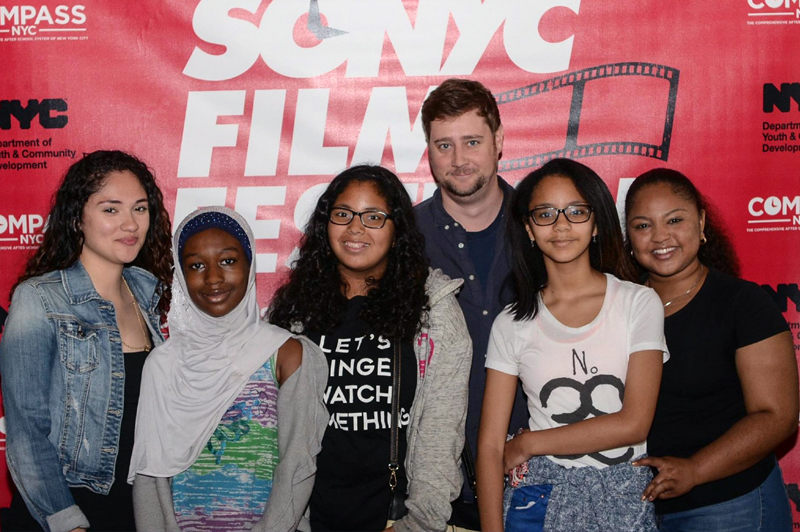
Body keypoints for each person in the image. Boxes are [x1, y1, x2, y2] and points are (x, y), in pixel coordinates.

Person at [268, 165, 472, 532]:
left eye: (374, 217)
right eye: (343, 214)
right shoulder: (294, 312)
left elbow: (443, 433)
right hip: (308, 519)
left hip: (396, 520)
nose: (356, 228)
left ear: (397, 231)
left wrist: (420, 523)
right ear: (325, 223)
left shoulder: (432, 309)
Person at [476, 158, 669, 532]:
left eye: (576, 211)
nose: (561, 225)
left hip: (622, 492)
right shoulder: (511, 323)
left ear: (596, 223)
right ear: (529, 229)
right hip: (539, 493)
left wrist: (530, 443)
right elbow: (489, 447)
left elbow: (634, 424)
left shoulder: (638, 303)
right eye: (545, 213)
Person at [0, 150, 173, 532]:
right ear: (78, 216)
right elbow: (26, 431)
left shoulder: (149, 297)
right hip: (67, 509)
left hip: (138, 510)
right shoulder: (40, 299)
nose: (130, 224)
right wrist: (68, 522)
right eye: (111, 210)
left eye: (140, 209)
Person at [129, 206, 328, 532]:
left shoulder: (287, 354)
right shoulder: (163, 366)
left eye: (227, 260)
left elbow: (297, 465)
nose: (213, 278)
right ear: (180, 274)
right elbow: (149, 480)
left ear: (249, 266)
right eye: (196, 265)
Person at [624, 169, 797, 532]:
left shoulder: (742, 304)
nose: (660, 237)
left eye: (675, 220)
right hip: (638, 510)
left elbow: (777, 415)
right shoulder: (619, 307)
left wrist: (695, 470)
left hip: (731, 506)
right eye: (642, 226)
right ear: (629, 236)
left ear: (701, 222)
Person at [414, 78, 528, 530]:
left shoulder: (547, 227)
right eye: (444, 145)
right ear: (428, 150)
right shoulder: (401, 239)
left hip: (544, 473)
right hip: (435, 491)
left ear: (499, 141)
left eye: (472, 141)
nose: (459, 160)